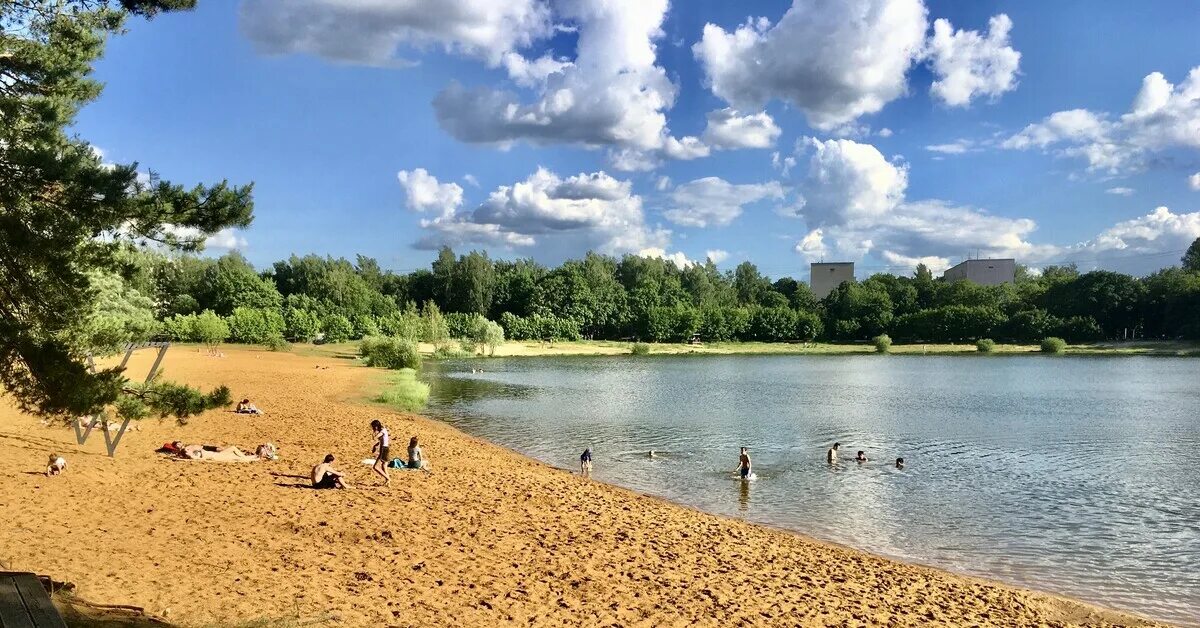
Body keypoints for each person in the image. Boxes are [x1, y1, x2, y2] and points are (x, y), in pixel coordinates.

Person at [370, 419, 390, 486]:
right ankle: (388, 482)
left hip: (384, 449)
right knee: (384, 466)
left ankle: (388, 478)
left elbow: (375, 438)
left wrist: (374, 433)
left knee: (375, 467)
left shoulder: (382, 431)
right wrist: (374, 447)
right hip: (385, 449)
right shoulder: (383, 430)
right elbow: (380, 441)